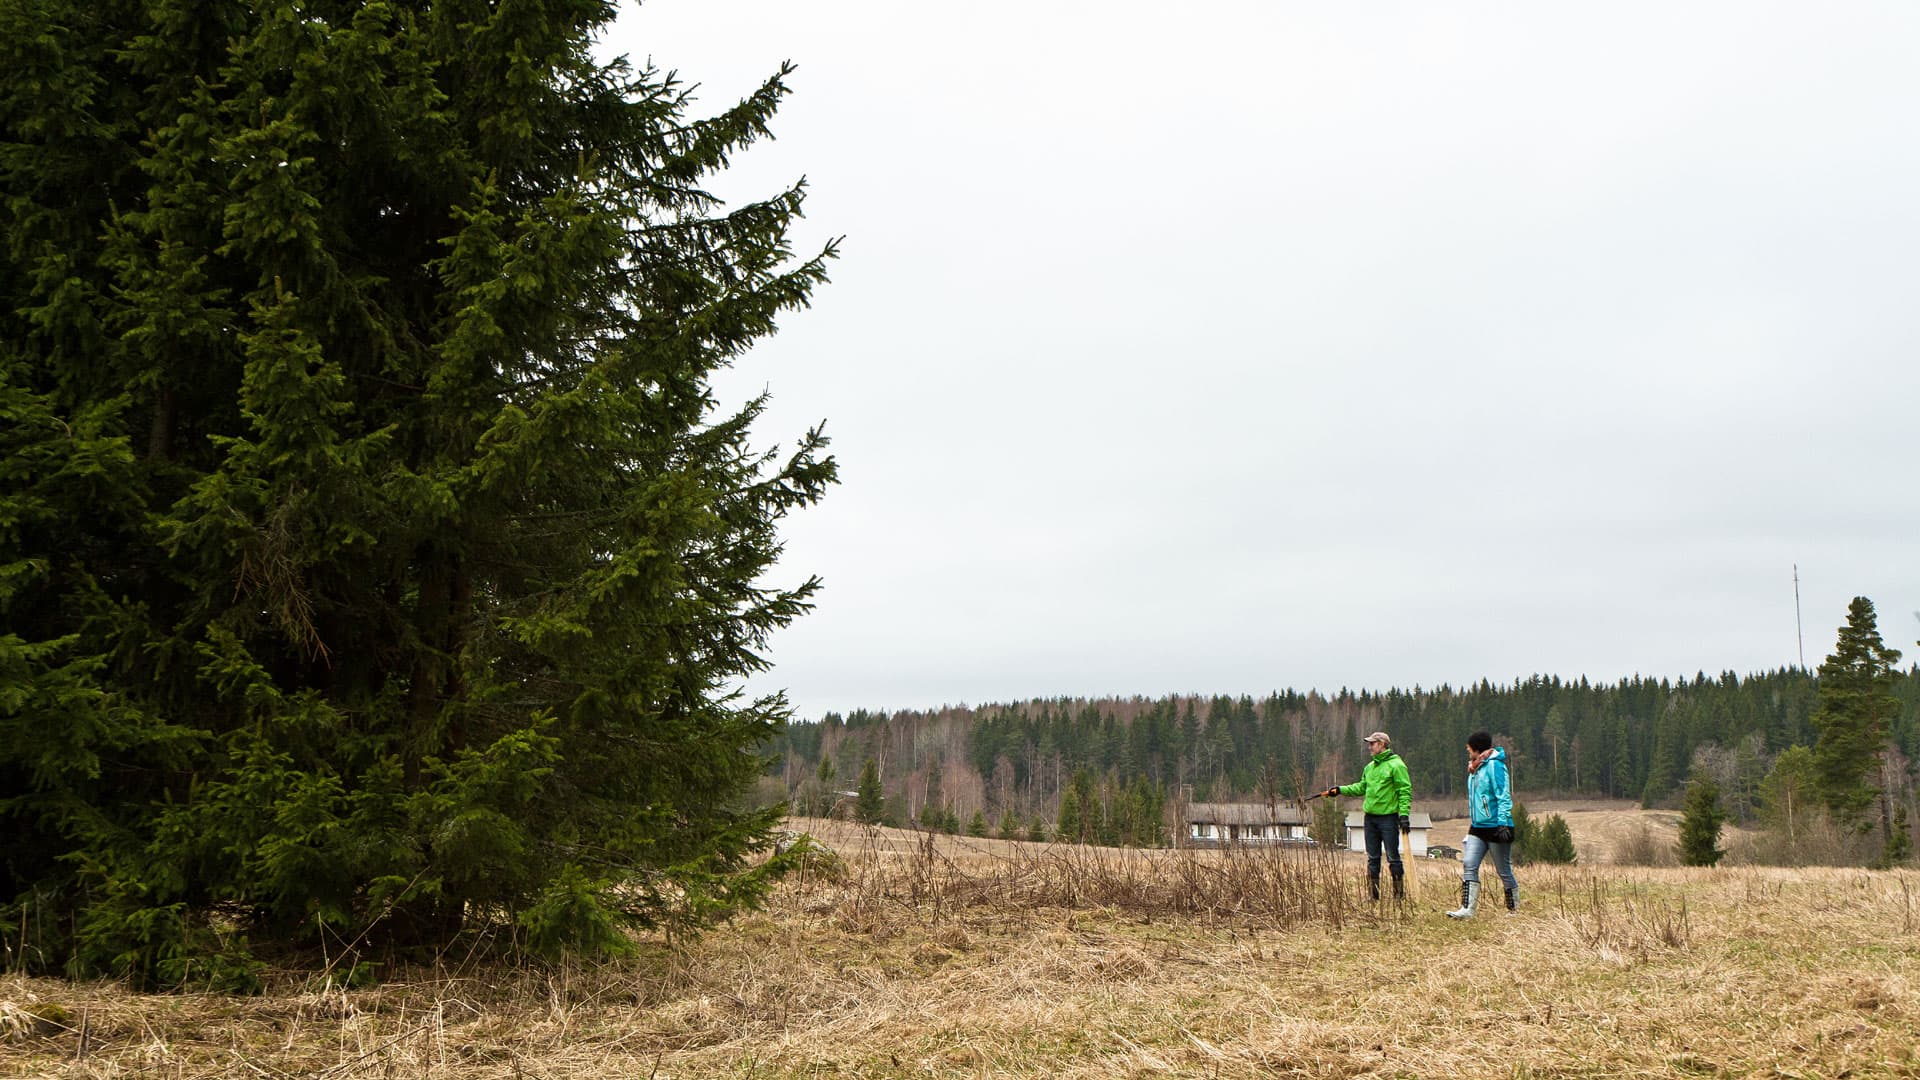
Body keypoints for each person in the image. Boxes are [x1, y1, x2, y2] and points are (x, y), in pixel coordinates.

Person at [1321, 731, 1412, 901]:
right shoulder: (1369, 768)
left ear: (1382, 744)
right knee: (1372, 858)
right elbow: (1361, 787)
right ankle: (1373, 895)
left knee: (1393, 858)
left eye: (1372, 743)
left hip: (1389, 818)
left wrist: (1404, 815)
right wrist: (1340, 790)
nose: (1369, 747)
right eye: (1369, 743)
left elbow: (1404, 791)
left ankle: (1399, 896)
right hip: (1370, 819)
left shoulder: (1397, 765)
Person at [1448, 730, 1519, 918]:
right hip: (1477, 827)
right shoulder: (1473, 769)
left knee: (1503, 870)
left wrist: (1503, 823)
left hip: (1496, 826)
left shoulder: (1495, 766)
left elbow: (1503, 795)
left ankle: (1513, 909)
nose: (1467, 750)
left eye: (1469, 747)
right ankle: (1467, 909)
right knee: (1469, 863)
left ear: (1476, 748)